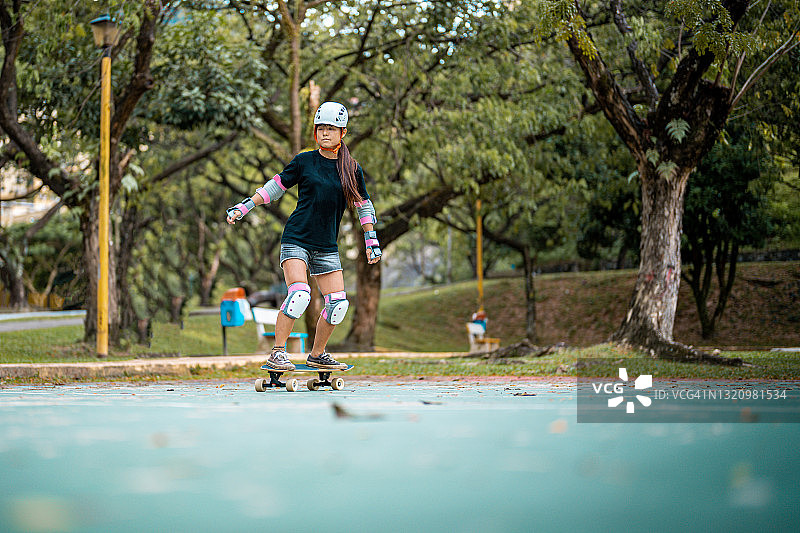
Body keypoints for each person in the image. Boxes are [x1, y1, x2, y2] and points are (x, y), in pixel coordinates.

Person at [225, 101, 381, 371]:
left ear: (342, 133)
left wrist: (371, 241)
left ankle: (317, 354)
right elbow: (275, 188)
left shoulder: (351, 169)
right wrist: (245, 206)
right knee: (300, 294)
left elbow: (363, 206)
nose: (324, 133)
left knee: (338, 304)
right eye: (320, 128)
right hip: (297, 238)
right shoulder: (304, 161)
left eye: (331, 129)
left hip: (327, 247)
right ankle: (277, 352)